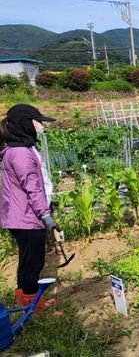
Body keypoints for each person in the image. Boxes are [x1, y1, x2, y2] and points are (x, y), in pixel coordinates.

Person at [0, 104, 58, 313]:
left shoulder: (14, 148)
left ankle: (27, 304)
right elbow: (32, 188)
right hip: (26, 217)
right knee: (33, 263)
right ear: (25, 123)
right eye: (38, 122)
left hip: (19, 216)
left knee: (26, 262)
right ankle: (35, 310)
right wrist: (46, 216)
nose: (41, 126)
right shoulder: (21, 153)